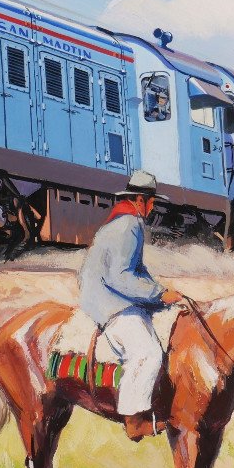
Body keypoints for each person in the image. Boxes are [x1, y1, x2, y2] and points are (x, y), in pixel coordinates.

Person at [78, 170, 183, 441]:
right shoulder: (130, 225)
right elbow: (121, 276)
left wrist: (163, 294)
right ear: (140, 200)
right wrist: (159, 294)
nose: (153, 208)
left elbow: (138, 271)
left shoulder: (120, 223)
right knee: (148, 353)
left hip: (107, 295)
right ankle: (134, 421)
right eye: (152, 202)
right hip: (109, 302)